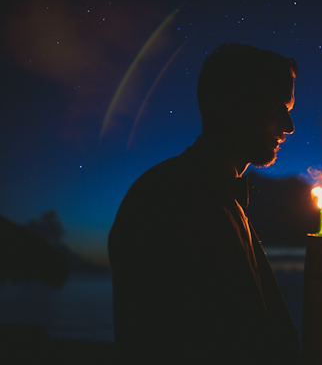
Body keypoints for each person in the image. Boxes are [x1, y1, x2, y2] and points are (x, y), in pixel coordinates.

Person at [108, 43, 300, 364]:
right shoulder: (167, 200)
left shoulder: (222, 198)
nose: (289, 127)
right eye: (277, 107)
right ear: (234, 106)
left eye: (289, 110)